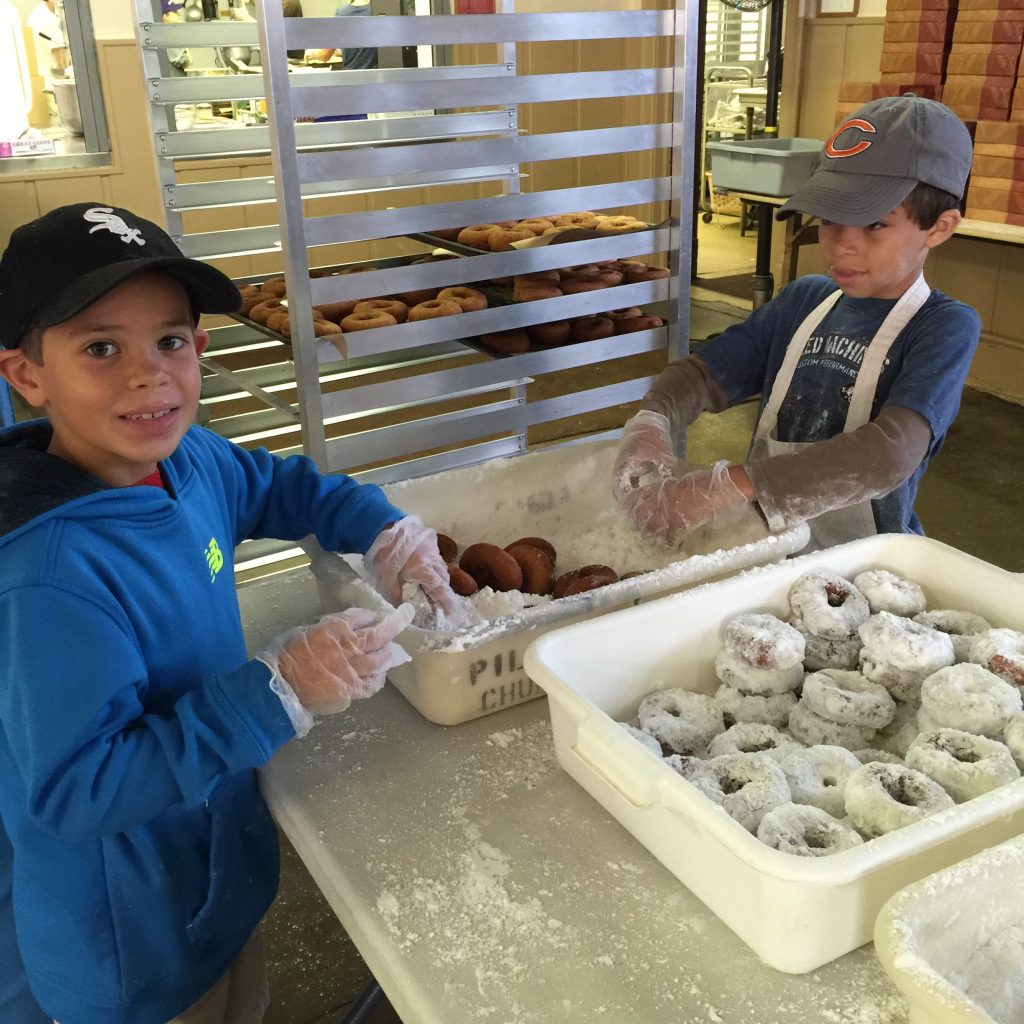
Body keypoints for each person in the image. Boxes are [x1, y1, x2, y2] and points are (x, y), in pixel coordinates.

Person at [0, 202, 459, 1023]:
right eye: (101, 348)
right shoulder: (50, 577)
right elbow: (77, 792)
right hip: (133, 950)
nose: (149, 375)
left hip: (210, 882)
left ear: (201, 349)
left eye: (169, 341)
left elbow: (278, 485)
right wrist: (273, 689)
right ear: (27, 375)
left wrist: (382, 527)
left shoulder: (188, 458)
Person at [614, 93, 981, 552]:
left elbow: (889, 453)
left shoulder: (943, 327)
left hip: (865, 562)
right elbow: (702, 375)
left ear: (940, 227)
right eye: (829, 220)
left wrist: (730, 486)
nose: (841, 245)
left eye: (873, 224)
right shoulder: (804, 300)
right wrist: (653, 418)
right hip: (765, 546)